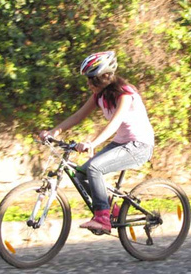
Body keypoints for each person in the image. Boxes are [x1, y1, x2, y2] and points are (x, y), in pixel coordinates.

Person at [39, 51, 154, 234]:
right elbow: (78, 116)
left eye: (91, 79)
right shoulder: (99, 96)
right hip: (121, 144)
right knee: (79, 174)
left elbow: (115, 123)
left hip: (139, 145)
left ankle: (102, 217)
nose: (88, 83)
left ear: (105, 76)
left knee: (94, 168)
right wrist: (53, 132)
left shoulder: (125, 94)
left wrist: (92, 143)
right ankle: (110, 210)